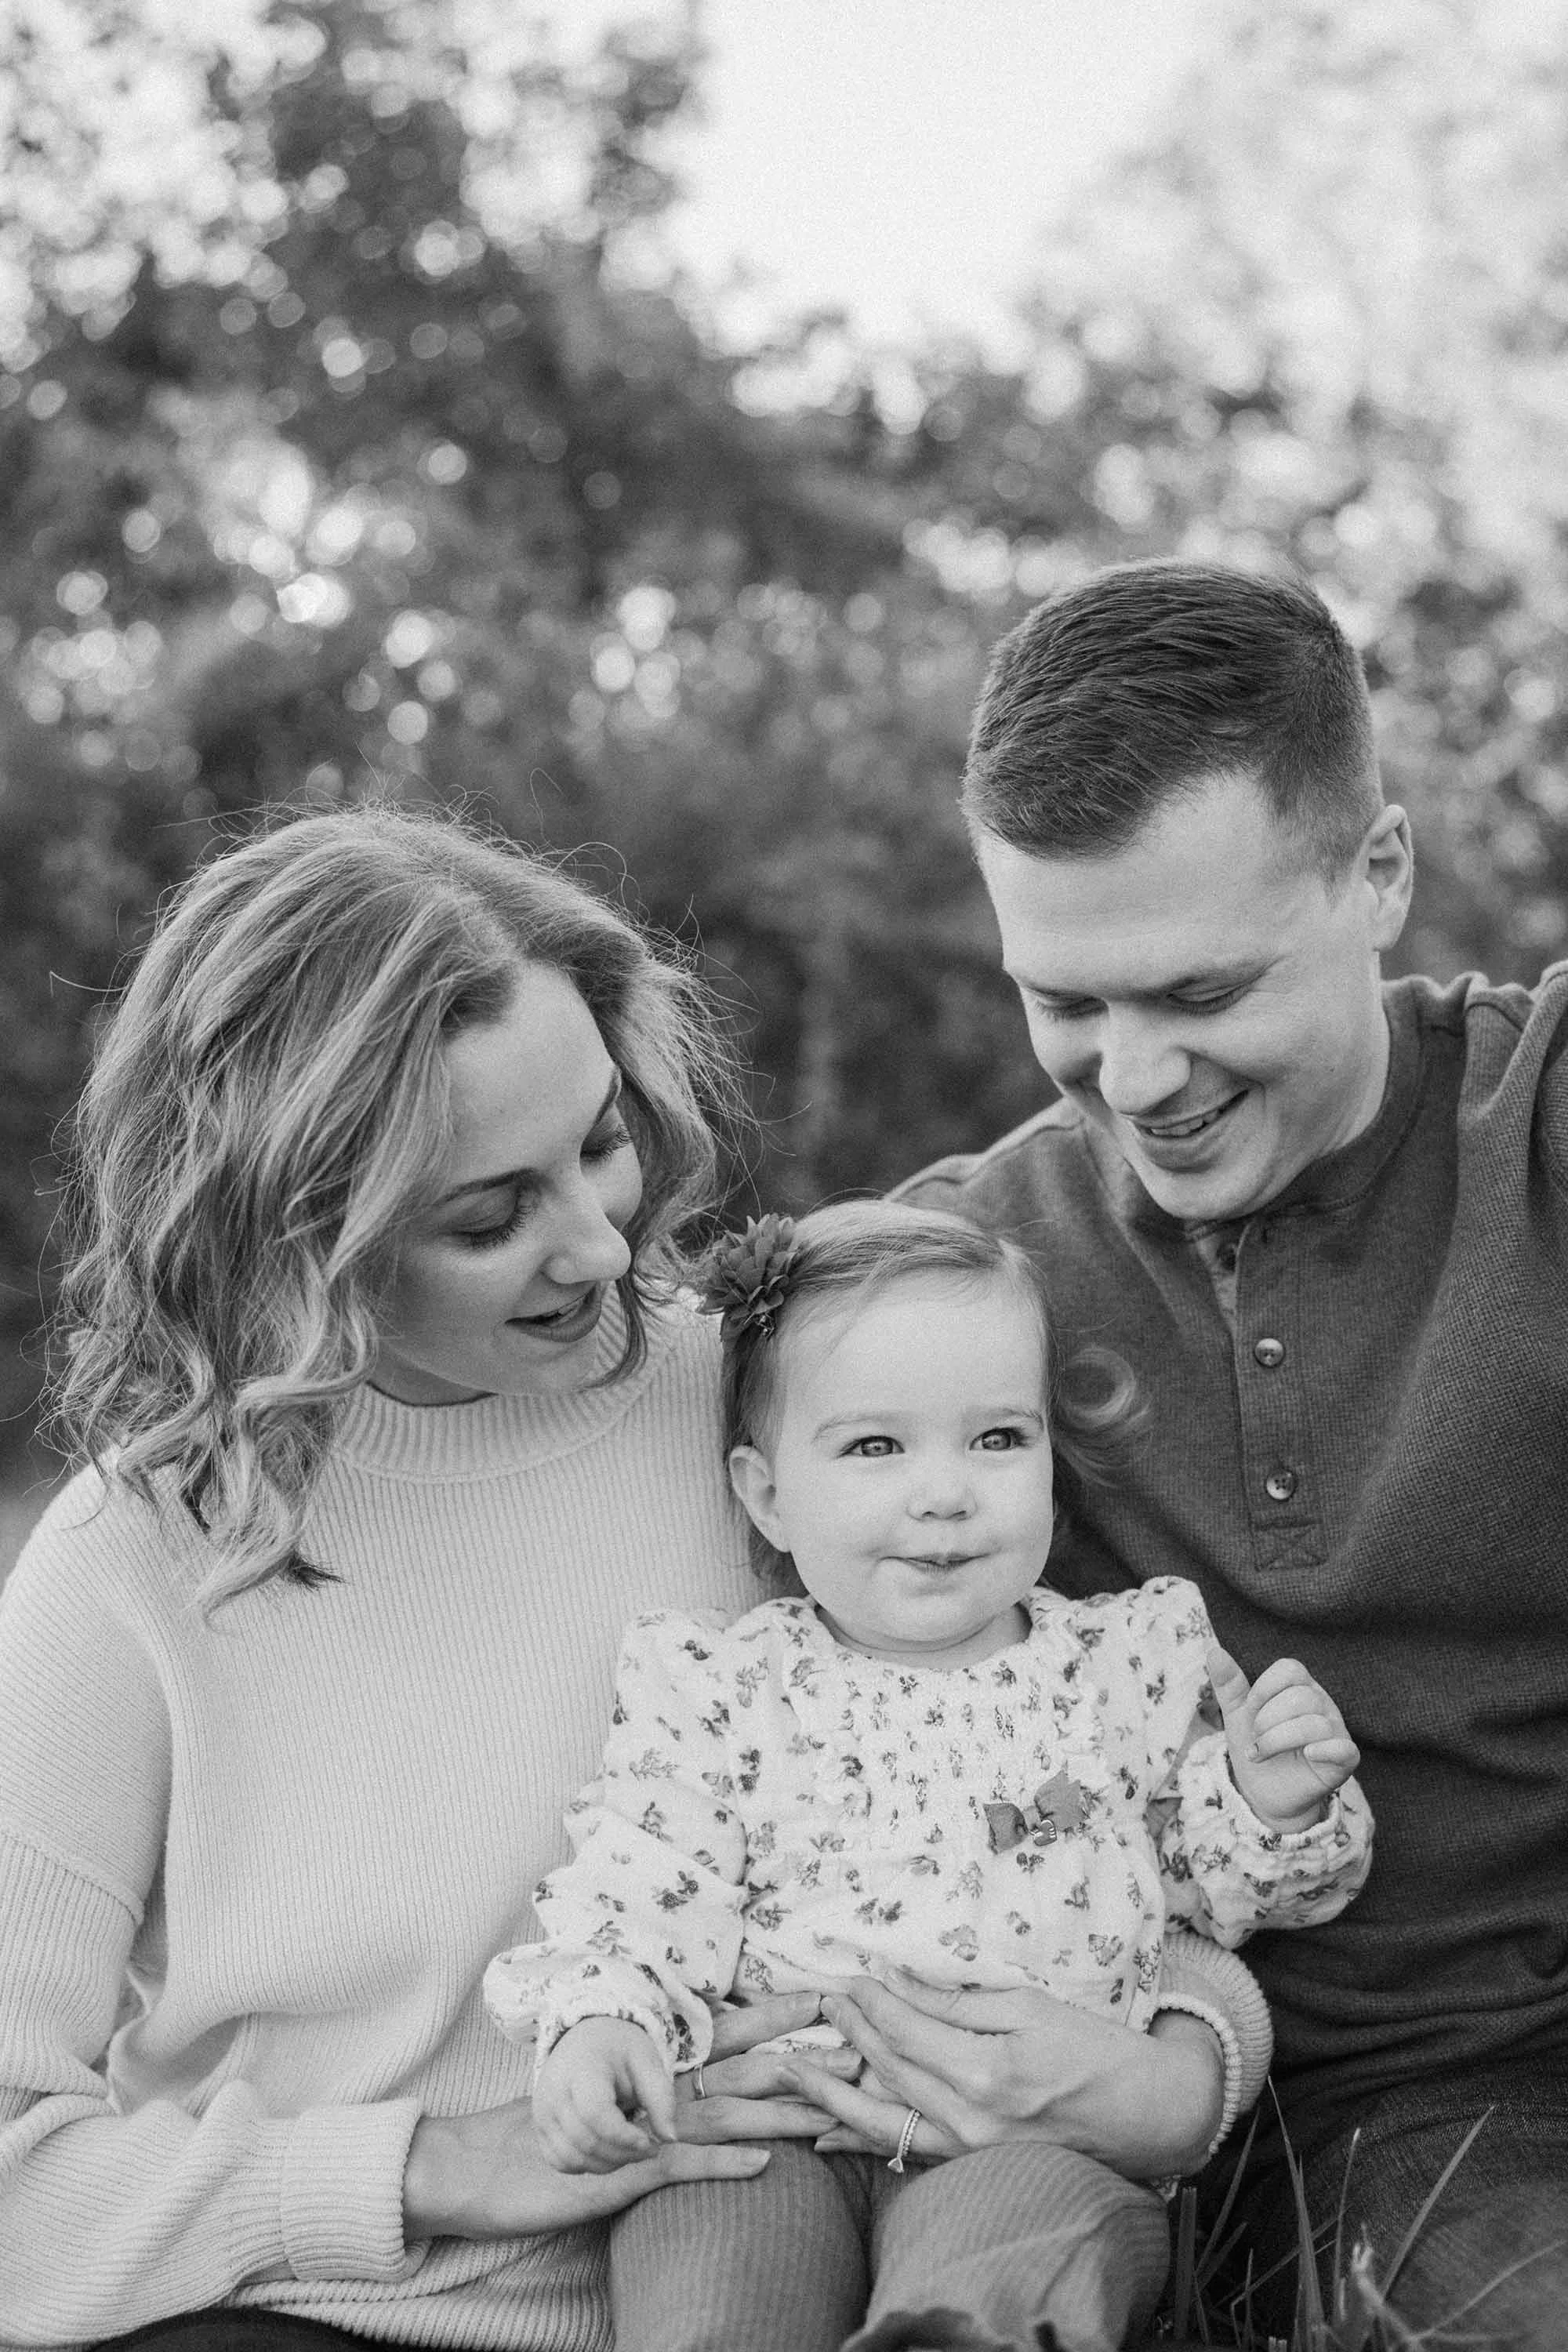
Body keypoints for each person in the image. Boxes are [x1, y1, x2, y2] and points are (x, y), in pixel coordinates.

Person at [0, 802, 1264, 2351]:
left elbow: (1070, 1779)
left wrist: (1188, 2061)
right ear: (297, 1231)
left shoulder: (795, 1430)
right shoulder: (128, 1563)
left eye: (595, 1141)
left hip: (800, 2265)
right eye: (489, 1214)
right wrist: (432, 2167)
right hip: (309, 2312)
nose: (600, 1247)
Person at [882, 558, 1568, 2344]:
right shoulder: (955, 1286)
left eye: (1199, 990)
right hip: (1372, 2115)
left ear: (1382, 875)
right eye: (1067, 1002)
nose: (1132, 1074)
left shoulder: (1536, 1118)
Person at [485, 1200, 1371, 2352]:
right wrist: (604, 2023)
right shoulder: (725, 1687)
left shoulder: (1121, 1672)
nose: (946, 1492)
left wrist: (1268, 1800)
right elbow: (649, 1880)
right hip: (777, 2126)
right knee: (714, 2292)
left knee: (1007, 2284)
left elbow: (1215, 1899)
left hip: (1028, 2135)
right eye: (874, 1447)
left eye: (998, 1439)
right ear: (765, 1495)